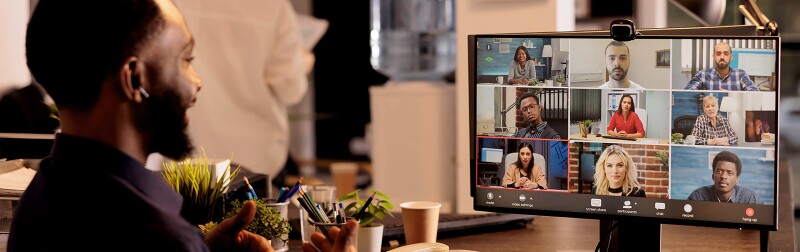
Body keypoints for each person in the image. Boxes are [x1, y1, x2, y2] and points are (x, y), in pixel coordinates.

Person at [9, 1, 355, 251]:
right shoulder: (159, 232)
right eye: (186, 60)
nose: (198, 81)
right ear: (134, 78)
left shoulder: (35, 203)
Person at [171, 0, 312, 181]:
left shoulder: (173, 4)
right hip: (259, 161)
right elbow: (290, 89)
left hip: (192, 160)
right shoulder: (273, 6)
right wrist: (303, 62)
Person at [688, 150, 761, 204]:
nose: (723, 176)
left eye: (730, 173)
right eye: (719, 171)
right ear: (713, 176)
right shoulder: (698, 196)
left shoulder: (750, 198)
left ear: (737, 179)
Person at [684, 42, 759, 91]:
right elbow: (687, 92)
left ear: (731, 57)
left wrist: (730, 95)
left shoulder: (740, 74)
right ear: (713, 56)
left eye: (726, 54)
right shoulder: (703, 74)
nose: (722, 57)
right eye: (718, 54)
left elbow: (754, 93)